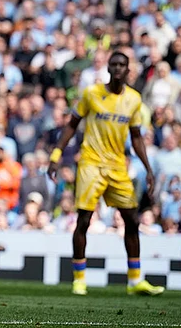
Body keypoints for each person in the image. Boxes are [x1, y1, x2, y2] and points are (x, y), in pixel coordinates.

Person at [48, 51, 164, 297]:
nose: (119, 68)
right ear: (109, 69)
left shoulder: (134, 100)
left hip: (117, 166)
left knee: (132, 220)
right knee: (84, 220)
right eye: (114, 64)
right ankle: (79, 279)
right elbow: (72, 124)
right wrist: (56, 155)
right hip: (91, 163)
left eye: (123, 65)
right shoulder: (92, 93)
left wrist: (148, 167)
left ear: (128, 70)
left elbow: (136, 136)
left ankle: (134, 280)